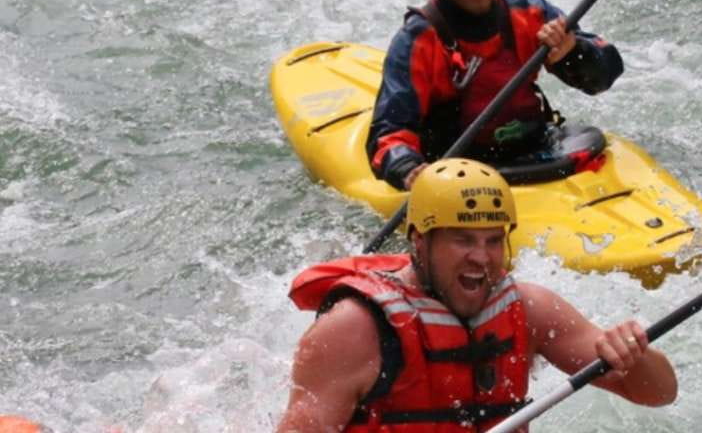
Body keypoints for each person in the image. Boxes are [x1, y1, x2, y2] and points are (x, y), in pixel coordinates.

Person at [275, 158, 677, 432]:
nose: (482, 258)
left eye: (492, 241)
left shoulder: (530, 309)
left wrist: (637, 356)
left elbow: (658, 394)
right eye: (462, 239)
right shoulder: (353, 329)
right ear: (420, 240)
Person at [366, 0, 624, 191]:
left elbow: (605, 75)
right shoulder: (419, 39)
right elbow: (388, 134)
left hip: (533, 150)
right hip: (459, 169)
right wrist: (409, 169)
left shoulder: (530, 13)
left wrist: (573, 51)